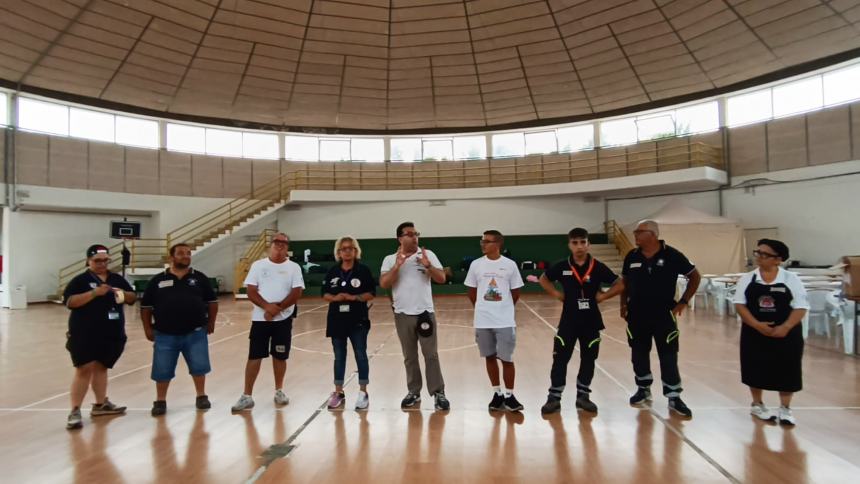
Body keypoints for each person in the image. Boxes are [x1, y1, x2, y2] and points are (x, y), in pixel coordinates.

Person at [539, 228, 623, 414]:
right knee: (560, 359)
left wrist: (603, 297)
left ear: (588, 244)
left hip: (591, 322)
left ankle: (583, 396)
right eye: (575, 243)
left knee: (589, 359)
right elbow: (544, 279)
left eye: (583, 242)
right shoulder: (561, 266)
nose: (579, 246)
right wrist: (556, 294)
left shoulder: (598, 266)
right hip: (568, 322)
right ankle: (554, 397)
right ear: (569, 245)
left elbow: (620, 283)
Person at [621, 220, 700, 418]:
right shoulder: (631, 256)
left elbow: (695, 276)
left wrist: (683, 301)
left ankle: (674, 395)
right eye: (635, 231)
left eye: (639, 232)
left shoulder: (673, 255)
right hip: (637, 315)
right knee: (638, 353)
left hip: (664, 315)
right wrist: (623, 303)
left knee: (668, 355)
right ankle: (643, 388)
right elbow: (625, 281)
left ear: (653, 234)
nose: (635, 235)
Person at [733, 239, 809, 426]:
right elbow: (740, 305)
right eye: (757, 252)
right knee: (755, 367)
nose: (759, 257)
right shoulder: (748, 279)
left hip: (786, 333)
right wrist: (757, 325)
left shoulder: (791, 279)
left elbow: (800, 306)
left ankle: (785, 408)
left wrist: (785, 327)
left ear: (778, 259)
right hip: (755, 332)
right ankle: (757, 404)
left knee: (788, 368)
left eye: (764, 254)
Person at [140, 243, 219, 416]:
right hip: (165, 333)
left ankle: (201, 395)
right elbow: (146, 307)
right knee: (162, 369)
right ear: (171, 257)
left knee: (199, 366)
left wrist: (211, 322)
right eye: (181, 253)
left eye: (188, 253)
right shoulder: (158, 280)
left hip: (195, 332)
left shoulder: (199, 278)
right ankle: (160, 400)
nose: (186, 256)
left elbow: (212, 302)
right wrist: (147, 328)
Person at [63, 244, 136, 430]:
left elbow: (131, 297)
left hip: (111, 332)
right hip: (84, 333)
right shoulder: (80, 280)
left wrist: (122, 294)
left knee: (102, 366)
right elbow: (70, 302)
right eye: (97, 261)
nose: (102, 264)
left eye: (105, 260)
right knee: (84, 369)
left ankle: (100, 404)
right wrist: (95, 293)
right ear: (88, 261)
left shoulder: (116, 278)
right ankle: (75, 409)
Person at [380, 222, 450, 410]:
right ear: (399, 238)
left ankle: (438, 393)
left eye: (415, 233)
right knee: (409, 356)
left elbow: (442, 279)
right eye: (409, 234)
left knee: (431, 355)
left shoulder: (428, 255)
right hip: (403, 314)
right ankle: (414, 392)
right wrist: (397, 266)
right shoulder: (389, 259)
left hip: (425, 313)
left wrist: (429, 266)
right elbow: (385, 283)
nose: (414, 237)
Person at [231, 233, 305, 412]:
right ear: (270, 245)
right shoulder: (258, 265)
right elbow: (251, 291)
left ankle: (279, 391)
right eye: (277, 242)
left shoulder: (294, 267)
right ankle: (247, 396)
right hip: (260, 320)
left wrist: (277, 309)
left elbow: (296, 292)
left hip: (283, 319)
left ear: (287, 247)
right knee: (255, 355)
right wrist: (266, 307)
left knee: (280, 356)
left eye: (284, 243)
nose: (280, 246)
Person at [465, 230, 525, 412]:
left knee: (506, 358)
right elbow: (472, 292)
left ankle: (509, 395)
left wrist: (503, 308)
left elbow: (515, 293)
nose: (483, 244)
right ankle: (497, 393)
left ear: (498, 244)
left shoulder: (510, 265)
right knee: (489, 356)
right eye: (482, 241)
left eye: (487, 241)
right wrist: (483, 308)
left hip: (504, 321)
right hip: (483, 321)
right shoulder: (476, 265)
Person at [322, 236, 376, 411]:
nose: (347, 251)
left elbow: (371, 293)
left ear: (355, 251)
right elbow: (324, 294)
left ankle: (363, 392)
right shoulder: (332, 272)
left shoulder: (364, 270)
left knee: (360, 353)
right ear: (338, 252)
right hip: (337, 320)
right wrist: (335, 298)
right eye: (343, 248)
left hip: (358, 320)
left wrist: (355, 297)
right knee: (339, 356)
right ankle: (339, 392)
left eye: (350, 248)